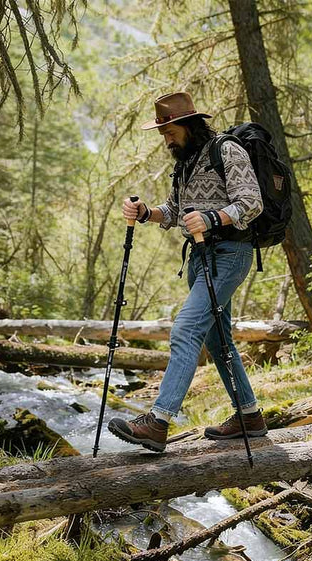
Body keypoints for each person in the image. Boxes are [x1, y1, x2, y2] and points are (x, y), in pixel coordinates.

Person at [107, 91, 266, 452]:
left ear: (189, 124)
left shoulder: (226, 150)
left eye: (169, 130)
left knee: (186, 328)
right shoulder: (186, 162)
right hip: (198, 259)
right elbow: (176, 210)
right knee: (216, 339)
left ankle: (158, 421)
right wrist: (147, 212)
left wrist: (213, 217)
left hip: (229, 253)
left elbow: (251, 202)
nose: (166, 138)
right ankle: (250, 416)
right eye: (162, 132)